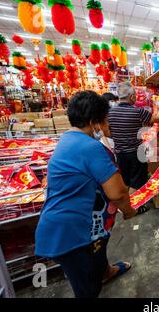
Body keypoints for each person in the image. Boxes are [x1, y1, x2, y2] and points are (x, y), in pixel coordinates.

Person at [35, 91, 137, 298]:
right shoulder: (90, 147)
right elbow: (117, 193)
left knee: (98, 253)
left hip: (83, 224)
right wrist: (128, 211)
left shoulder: (68, 139)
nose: (108, 124)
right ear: (94, 122)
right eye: (105, 120)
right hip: (70, 233)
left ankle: (106, 272)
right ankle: (98, 279)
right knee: (87, 289)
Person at [108, 82, 159, 199]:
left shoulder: (110, 113)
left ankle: (127, 203)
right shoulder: (137, 112)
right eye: (135, 96)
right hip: (136, 153)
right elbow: (156, 119)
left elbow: (109, 132)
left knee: (126, 180)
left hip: (120, 153)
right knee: (137, 181)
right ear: (131, 97)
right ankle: (131, 208)